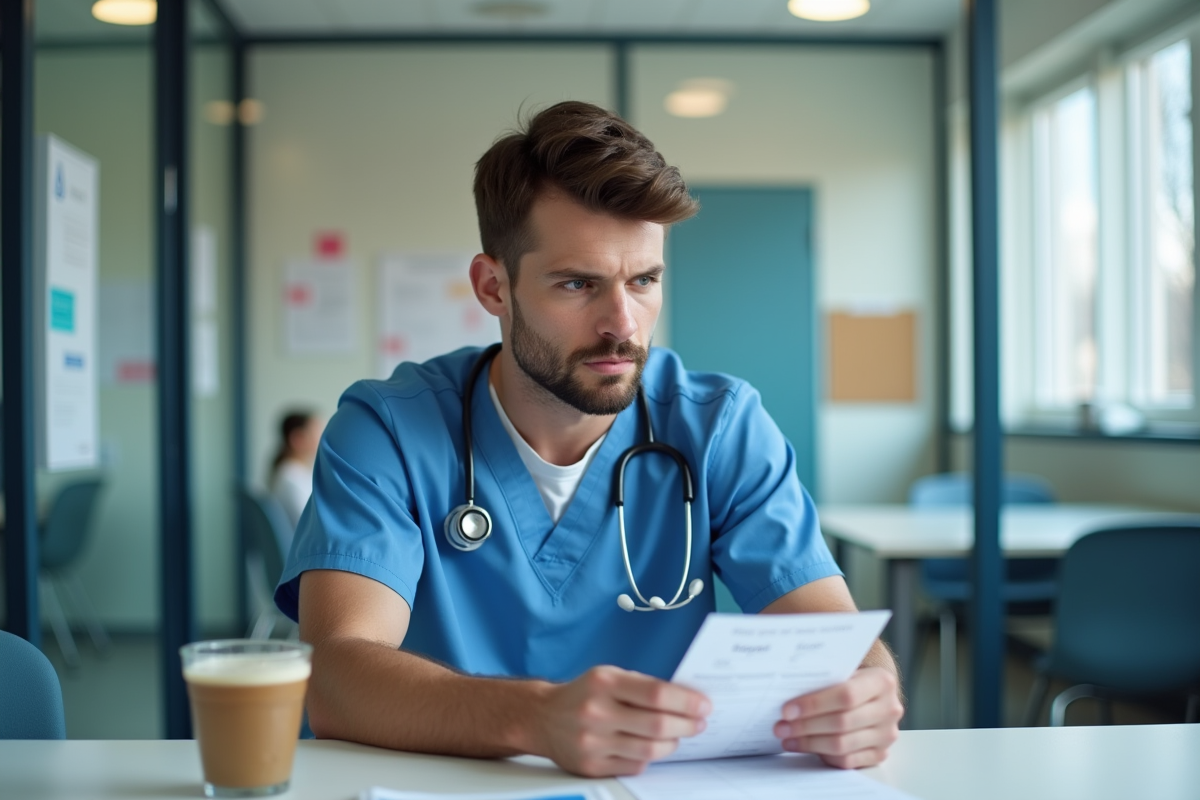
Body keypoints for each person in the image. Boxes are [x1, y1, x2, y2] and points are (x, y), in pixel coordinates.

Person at [275, 101, 903, 778]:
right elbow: (334, 678)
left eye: (644, 281)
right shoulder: (389, 431)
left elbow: (833, 643)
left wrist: (868, 691)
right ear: (494, 287)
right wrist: (535, 719)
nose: (621, 323)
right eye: (578, 284)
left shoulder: (720, 426)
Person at [268, 410, 322, 532]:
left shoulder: (295, 473)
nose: (322, 439)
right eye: (317, 432)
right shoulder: (290, 479)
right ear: (297, 438)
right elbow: (312, 525)